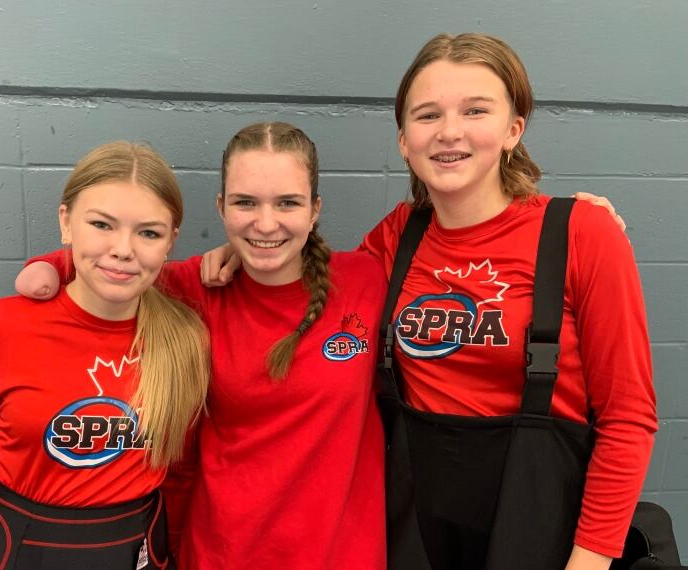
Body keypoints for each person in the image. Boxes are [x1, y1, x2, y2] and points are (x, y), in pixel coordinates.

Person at [199, 35, 656, 570]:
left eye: (475, 110)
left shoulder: (583, 233)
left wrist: (591, 561)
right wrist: (243, 248)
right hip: (417, 534)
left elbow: (628, 419)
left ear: (514, 129)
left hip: (541, 530)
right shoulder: (397, 237)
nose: (449, 132)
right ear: (403, 141)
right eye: (427, 115)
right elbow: (306, 271)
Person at [15, 122, 390, 569]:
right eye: (245, 203)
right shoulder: (195, 287)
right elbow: (116, 263)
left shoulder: (368, 278)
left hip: (342, 554)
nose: (265, 223)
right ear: (221, 207)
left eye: (287, 202)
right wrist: (52, 263)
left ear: (314, 210)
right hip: (223, 552)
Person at [0, 141, 210, 570]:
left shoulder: (186, 340)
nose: (123, 249)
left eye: (148, 232)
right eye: (101, 224)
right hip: (18, 547)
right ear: (66, 222)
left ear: (171, 240)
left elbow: (181, 474)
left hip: (139, 547)